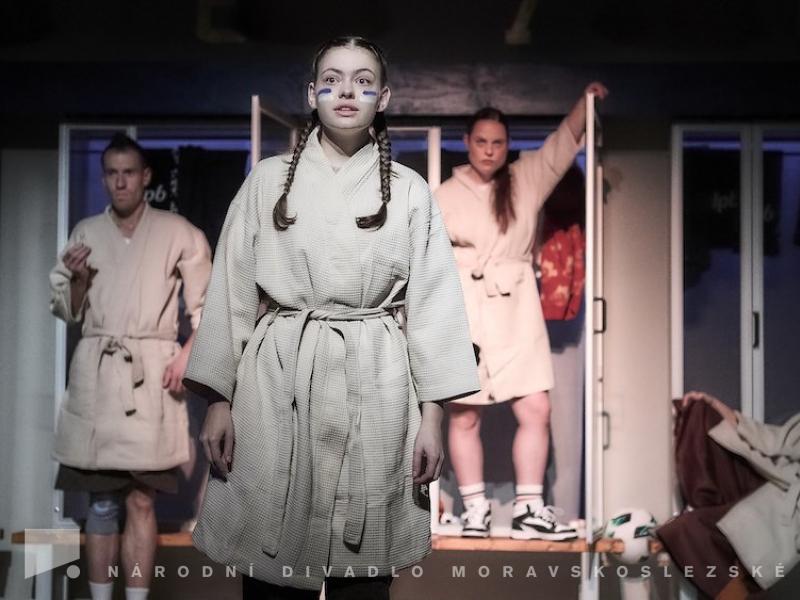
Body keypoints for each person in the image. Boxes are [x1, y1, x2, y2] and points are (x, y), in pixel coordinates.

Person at [182, 36, 479, 599]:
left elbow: (434, 305)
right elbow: (231, 290)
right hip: (278, 378)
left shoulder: (409, 192)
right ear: (310, 93)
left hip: (376, 379)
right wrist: (218, 399)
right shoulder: (267, 181)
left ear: (383, 98)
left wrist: (433, 417)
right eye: (332, 79)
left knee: (362, 574)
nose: (347, 91)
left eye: (363, 81)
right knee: (271, 565)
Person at [434, 82, 608, 540]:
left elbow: (562, 144)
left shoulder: (525, 179)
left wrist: (584, 103)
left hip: (515, 306)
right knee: (464, 413)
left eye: (497, 142)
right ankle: (475, 509)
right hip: (466, 308)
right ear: (467, 143)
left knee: (536, 406)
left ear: (507, 145)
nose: (489, 150)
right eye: (481, 141)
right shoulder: (442, 195)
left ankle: (530, 507)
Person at [49, 134, 213, 600]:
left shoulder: (177, 231)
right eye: (111, 173)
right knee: (101, 502)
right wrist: (78, 279)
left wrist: (188, 352)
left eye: (128, 173)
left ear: (145, 177)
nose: (119, 182)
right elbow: (67, 310)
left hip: (150, 374)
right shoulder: (86, 233)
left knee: (142, 500)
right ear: (104, 179)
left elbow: (207, 305)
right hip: (100, 376)